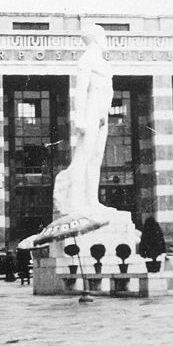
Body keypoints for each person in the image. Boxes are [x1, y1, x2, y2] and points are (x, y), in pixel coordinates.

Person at [53, 24, 116, 216]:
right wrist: (79, 118)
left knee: (96, 158)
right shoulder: (86, 61)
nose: (106, 41)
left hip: (102, 115)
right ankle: (74, 201)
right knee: (83, 156)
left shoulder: (104, 64)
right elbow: (80, 91)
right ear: (96, 39)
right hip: (90, 111)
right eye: (103, 37)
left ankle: (92, 201)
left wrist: (105, 113)